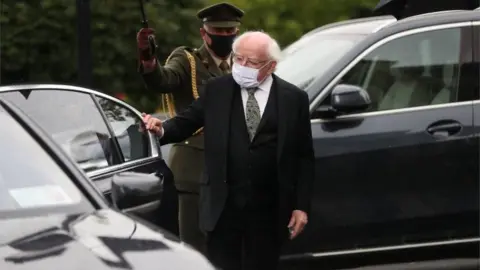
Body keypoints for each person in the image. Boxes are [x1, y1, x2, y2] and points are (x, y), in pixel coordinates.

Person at [142, 31, 314, 270]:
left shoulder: (293, 99)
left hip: (269, 209)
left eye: (252, 62)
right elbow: (187, 121)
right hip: (223, 208)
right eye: (238, 59)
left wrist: (300, 206)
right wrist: (161, 129)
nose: (242, 66)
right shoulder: (217, 89)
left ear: (271, 65)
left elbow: (303, 156)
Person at [136, 2, 244, 253]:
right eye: (219, 32)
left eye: (230, 32)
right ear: (204, 33)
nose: (226, 37)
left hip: (231, 169)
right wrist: (148, 57)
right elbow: (163, 80)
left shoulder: (242, 64)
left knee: (229, 248)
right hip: (194, 166)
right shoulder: (188, 61)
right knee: (194, 246)